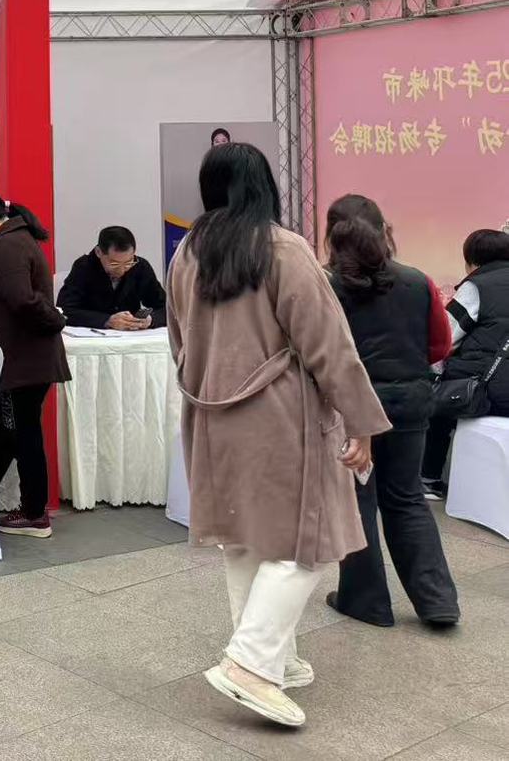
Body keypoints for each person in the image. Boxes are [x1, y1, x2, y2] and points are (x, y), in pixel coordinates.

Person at [166, 143, 388, 730]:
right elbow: (329, 346)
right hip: (280, 420)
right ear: (264, 184)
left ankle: (275, 658)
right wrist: (361, 421)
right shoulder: (282, 248)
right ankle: (250, 663)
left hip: (211, 418)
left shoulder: (187, 251)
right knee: (308, 543)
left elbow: (178, 341)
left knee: (245, 539)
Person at [322, 195, 458, 628]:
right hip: (410, 402)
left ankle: (366, 602)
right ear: (385, 232)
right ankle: (437, 601)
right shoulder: (418, 281)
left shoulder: (325, 286)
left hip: (350, 407)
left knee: (357, 502)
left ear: (331, 237)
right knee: (407, 498)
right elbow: (439, 346)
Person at [0, 189, 68, 538]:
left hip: (21, 358)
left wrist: (55, 320)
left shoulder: (7, 246)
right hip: (20, 356)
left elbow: (22, 300)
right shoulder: (12, 240)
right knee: (12, 432)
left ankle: (33, 513)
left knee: (21, 433)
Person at [422, 228, 509, 497]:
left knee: (439, 399)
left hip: (488, 392)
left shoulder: (477, 286)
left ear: (472, 260)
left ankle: (428, 478)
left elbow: (443, 338)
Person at [56, 226, 168, 331]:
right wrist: (107, 321)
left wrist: (150, 319)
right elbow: (64, 311)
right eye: (114, 264)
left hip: (131, 335)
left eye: (128, 263)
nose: (122, 270)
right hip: (94, 336)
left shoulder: (140, 266)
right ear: (98, 252)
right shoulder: (84, 267)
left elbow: (167, 308)